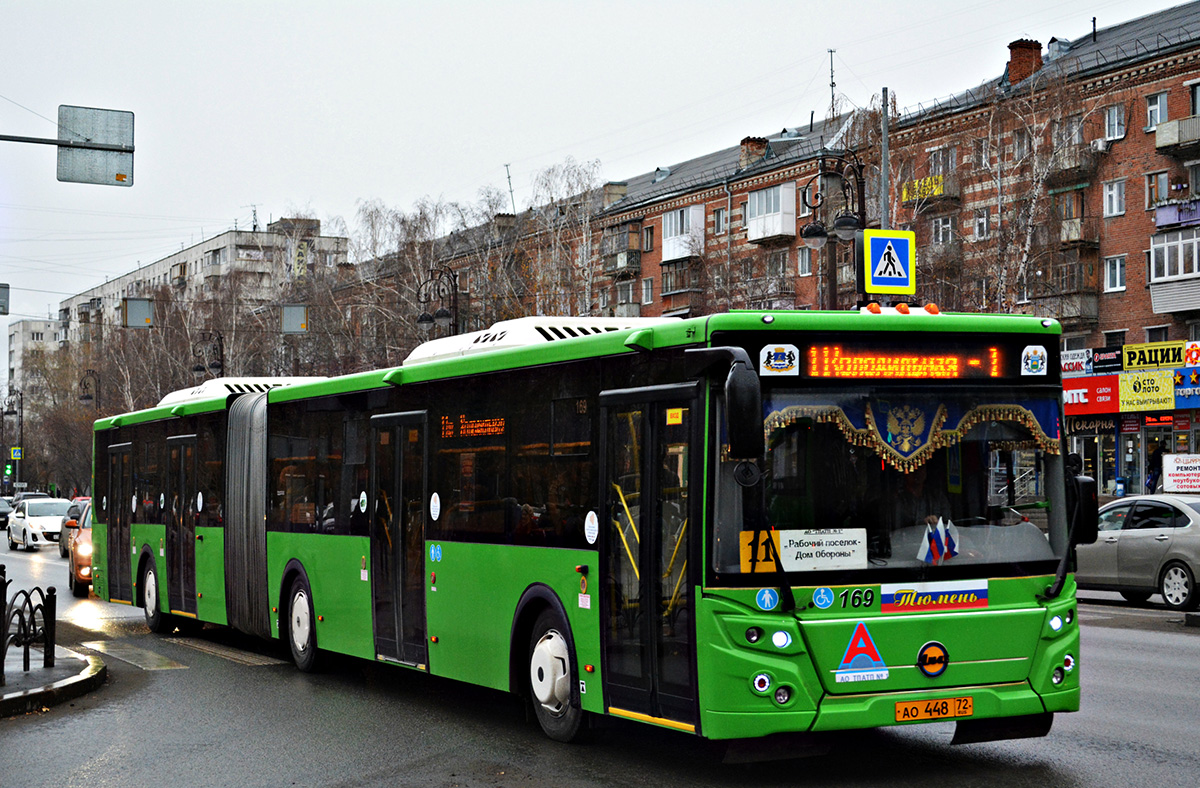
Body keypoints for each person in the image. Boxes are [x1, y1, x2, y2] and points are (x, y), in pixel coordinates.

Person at [890, 462, 951, 530]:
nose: (917, 472)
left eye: (920, 467)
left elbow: (948, 526)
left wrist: (937, 525)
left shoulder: (937, 497)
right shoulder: (896, 500)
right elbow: (896, 529)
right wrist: (922, 524)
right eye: (913, 468)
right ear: (905, 471)